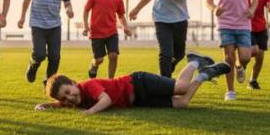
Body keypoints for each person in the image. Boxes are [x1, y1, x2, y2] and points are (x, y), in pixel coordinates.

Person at [36, 52, 229, 114]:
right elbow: (59, 103)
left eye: (69, 91)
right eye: (66, 98)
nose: (71, 98)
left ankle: (194, 61)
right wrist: (44, 104)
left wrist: (90, 112)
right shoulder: (72, 101)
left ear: (74, 82)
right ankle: (204, 75)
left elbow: (106, 100)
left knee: (181, 88)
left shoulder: (87, 86)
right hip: (137, 101)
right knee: (182, 103)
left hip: (138, 82)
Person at [205, 0, 259, 101]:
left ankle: (240, 66)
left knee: (245, 57)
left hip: (243, 24)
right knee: (228, 57)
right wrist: (214, 8)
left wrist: (252, 9)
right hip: (225, 24)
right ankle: (230, 91)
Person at [18, 0, 74, 86]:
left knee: (55, 57)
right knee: (40, 54)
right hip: (37, 24)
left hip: (55, 25)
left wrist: (69, 9)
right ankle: (33, 65)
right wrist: (22, 17)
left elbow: (67, 2)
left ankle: (50, 83)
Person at [83, 0, 132, 79]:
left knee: (113, 55)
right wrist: (86, 27)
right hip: (96, 33)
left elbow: (121, 15)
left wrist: (125, 27)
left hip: (111, 32)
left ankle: (110, 81)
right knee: (99, 60)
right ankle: (94, 65)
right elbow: (86, 11)